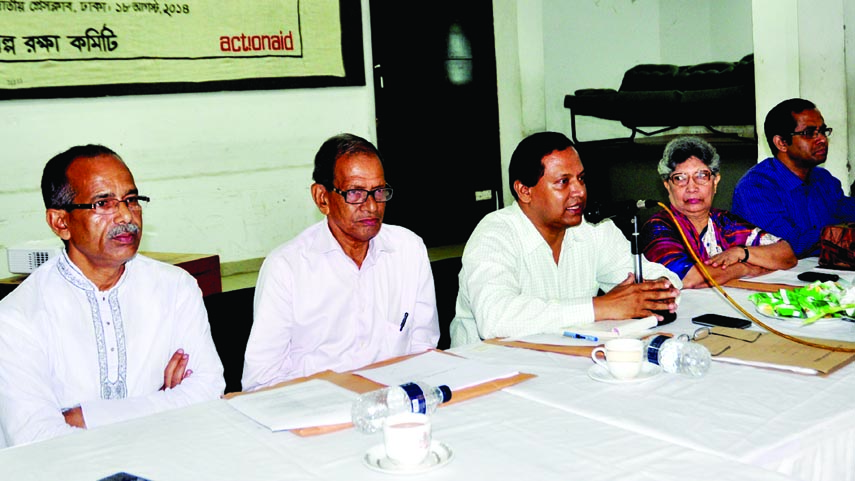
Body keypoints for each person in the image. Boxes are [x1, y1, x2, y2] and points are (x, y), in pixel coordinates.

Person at [0, 145, 225, 447]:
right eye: (103, 203)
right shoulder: (17, 316)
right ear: (60, 222)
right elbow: (38, 438)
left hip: (167, 456)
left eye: (131, 200)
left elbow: (208, 391)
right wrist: (163, 404)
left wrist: (85, 417)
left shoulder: (175, 288)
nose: (125, 215)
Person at [242, 134, 439, 391]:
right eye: (355, 193)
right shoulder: (287, 268)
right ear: (322, 197)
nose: (371, 206)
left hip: (394, 405)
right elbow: (260, 381)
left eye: (379, 191)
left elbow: (423, 351)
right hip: (315, 412)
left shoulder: (408, 250)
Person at [449, 131, 682, 347]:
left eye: (581, 179)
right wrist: (600, 307)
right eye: (563, 182)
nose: (579, 191)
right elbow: (495, 318)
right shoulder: (494, 234)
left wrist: (655, 289)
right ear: (524, 191)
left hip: (563, 362)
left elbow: (661, 278)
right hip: (486, 372)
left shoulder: (592, 227)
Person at [641, 137, 797, 289]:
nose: (692, 187)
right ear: (668, 186)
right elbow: (688, 278)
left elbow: (787, 255)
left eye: (701, 176)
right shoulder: (658, 227)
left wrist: (741, 253)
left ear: (715, 182)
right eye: (680, 178)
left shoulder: (724, 222)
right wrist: (744, 268)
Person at [732, 98, 855, 257]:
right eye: (809, 133)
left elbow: (845, 211)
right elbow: (789, 244)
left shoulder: (823, 179)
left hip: (820, 274)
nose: (822, 139)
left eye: (823, 131)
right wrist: (837, 234)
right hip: (773, 278)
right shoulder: (756, 188)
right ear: (781, 143)